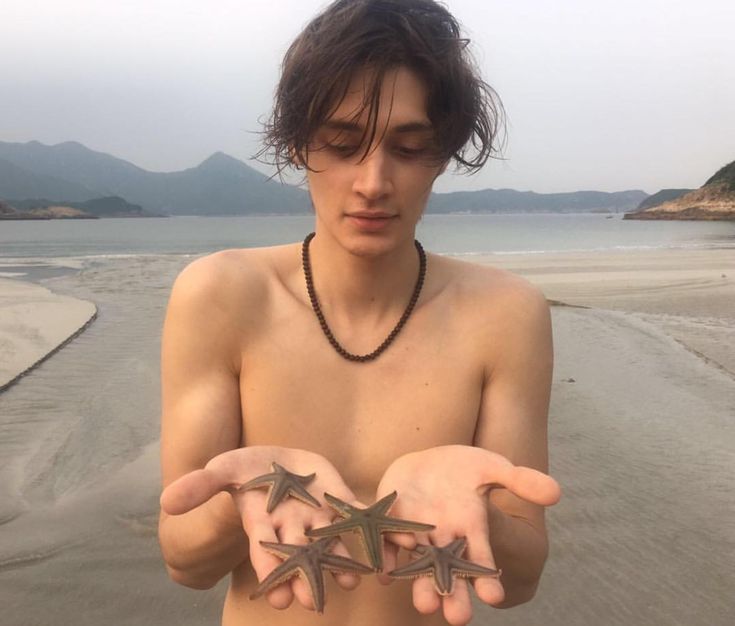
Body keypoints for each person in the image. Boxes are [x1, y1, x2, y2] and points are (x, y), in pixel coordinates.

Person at [158, 1, 561, 625]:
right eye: (343, 145)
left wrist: (475, 513)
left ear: (444, 153)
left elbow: (526, 576)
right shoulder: (221, 296)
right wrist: (245, 497)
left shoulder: (505, 315)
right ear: (297, 144)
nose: (373, 181)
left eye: (409, 148)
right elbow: (185, 564)